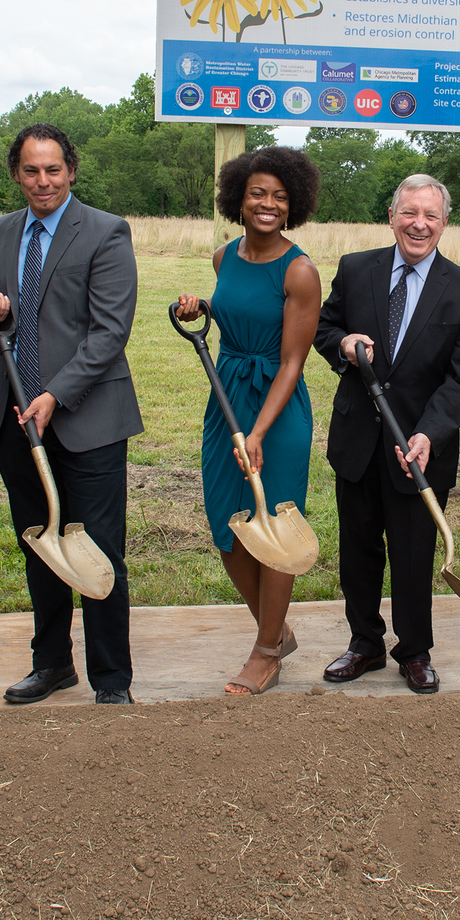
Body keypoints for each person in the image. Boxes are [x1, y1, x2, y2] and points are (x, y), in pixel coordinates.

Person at [0, 123, 143, 705]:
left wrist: (55, 395)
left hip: (85, 418)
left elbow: (109, 332)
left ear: (71, 171)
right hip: (19, 417)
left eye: (52, 170)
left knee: (96, 550)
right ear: (16, 174)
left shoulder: (105, 232)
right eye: (30, 170)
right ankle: (52, 665)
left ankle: (112, 679)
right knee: (40, 544)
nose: (42, 181)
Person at [314, 173, 460, 694]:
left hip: (419, 449)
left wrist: (430, 433)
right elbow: (324, 328)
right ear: (392, 216)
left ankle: (414, 650)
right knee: (358, 550)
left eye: (430, 216)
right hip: (359, 444)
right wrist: (342, 345)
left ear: (444, 223)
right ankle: (364, 643)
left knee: (414, 555)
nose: (419, 224)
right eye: (409, 213)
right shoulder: (356, 268)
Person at [172, 147, 322, 695]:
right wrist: (201, 310)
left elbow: (291, 362)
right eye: (258, 193)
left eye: (280, 196)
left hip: (275, 410)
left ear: (294, 205)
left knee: (274, 524)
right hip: (226, 397)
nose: (268, 204)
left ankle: (265, 652)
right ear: (238, 198)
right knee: (226, 522)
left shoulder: (300, 270)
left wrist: (258, 433)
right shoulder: (223, 257)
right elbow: (236, 313)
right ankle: (277, 629)